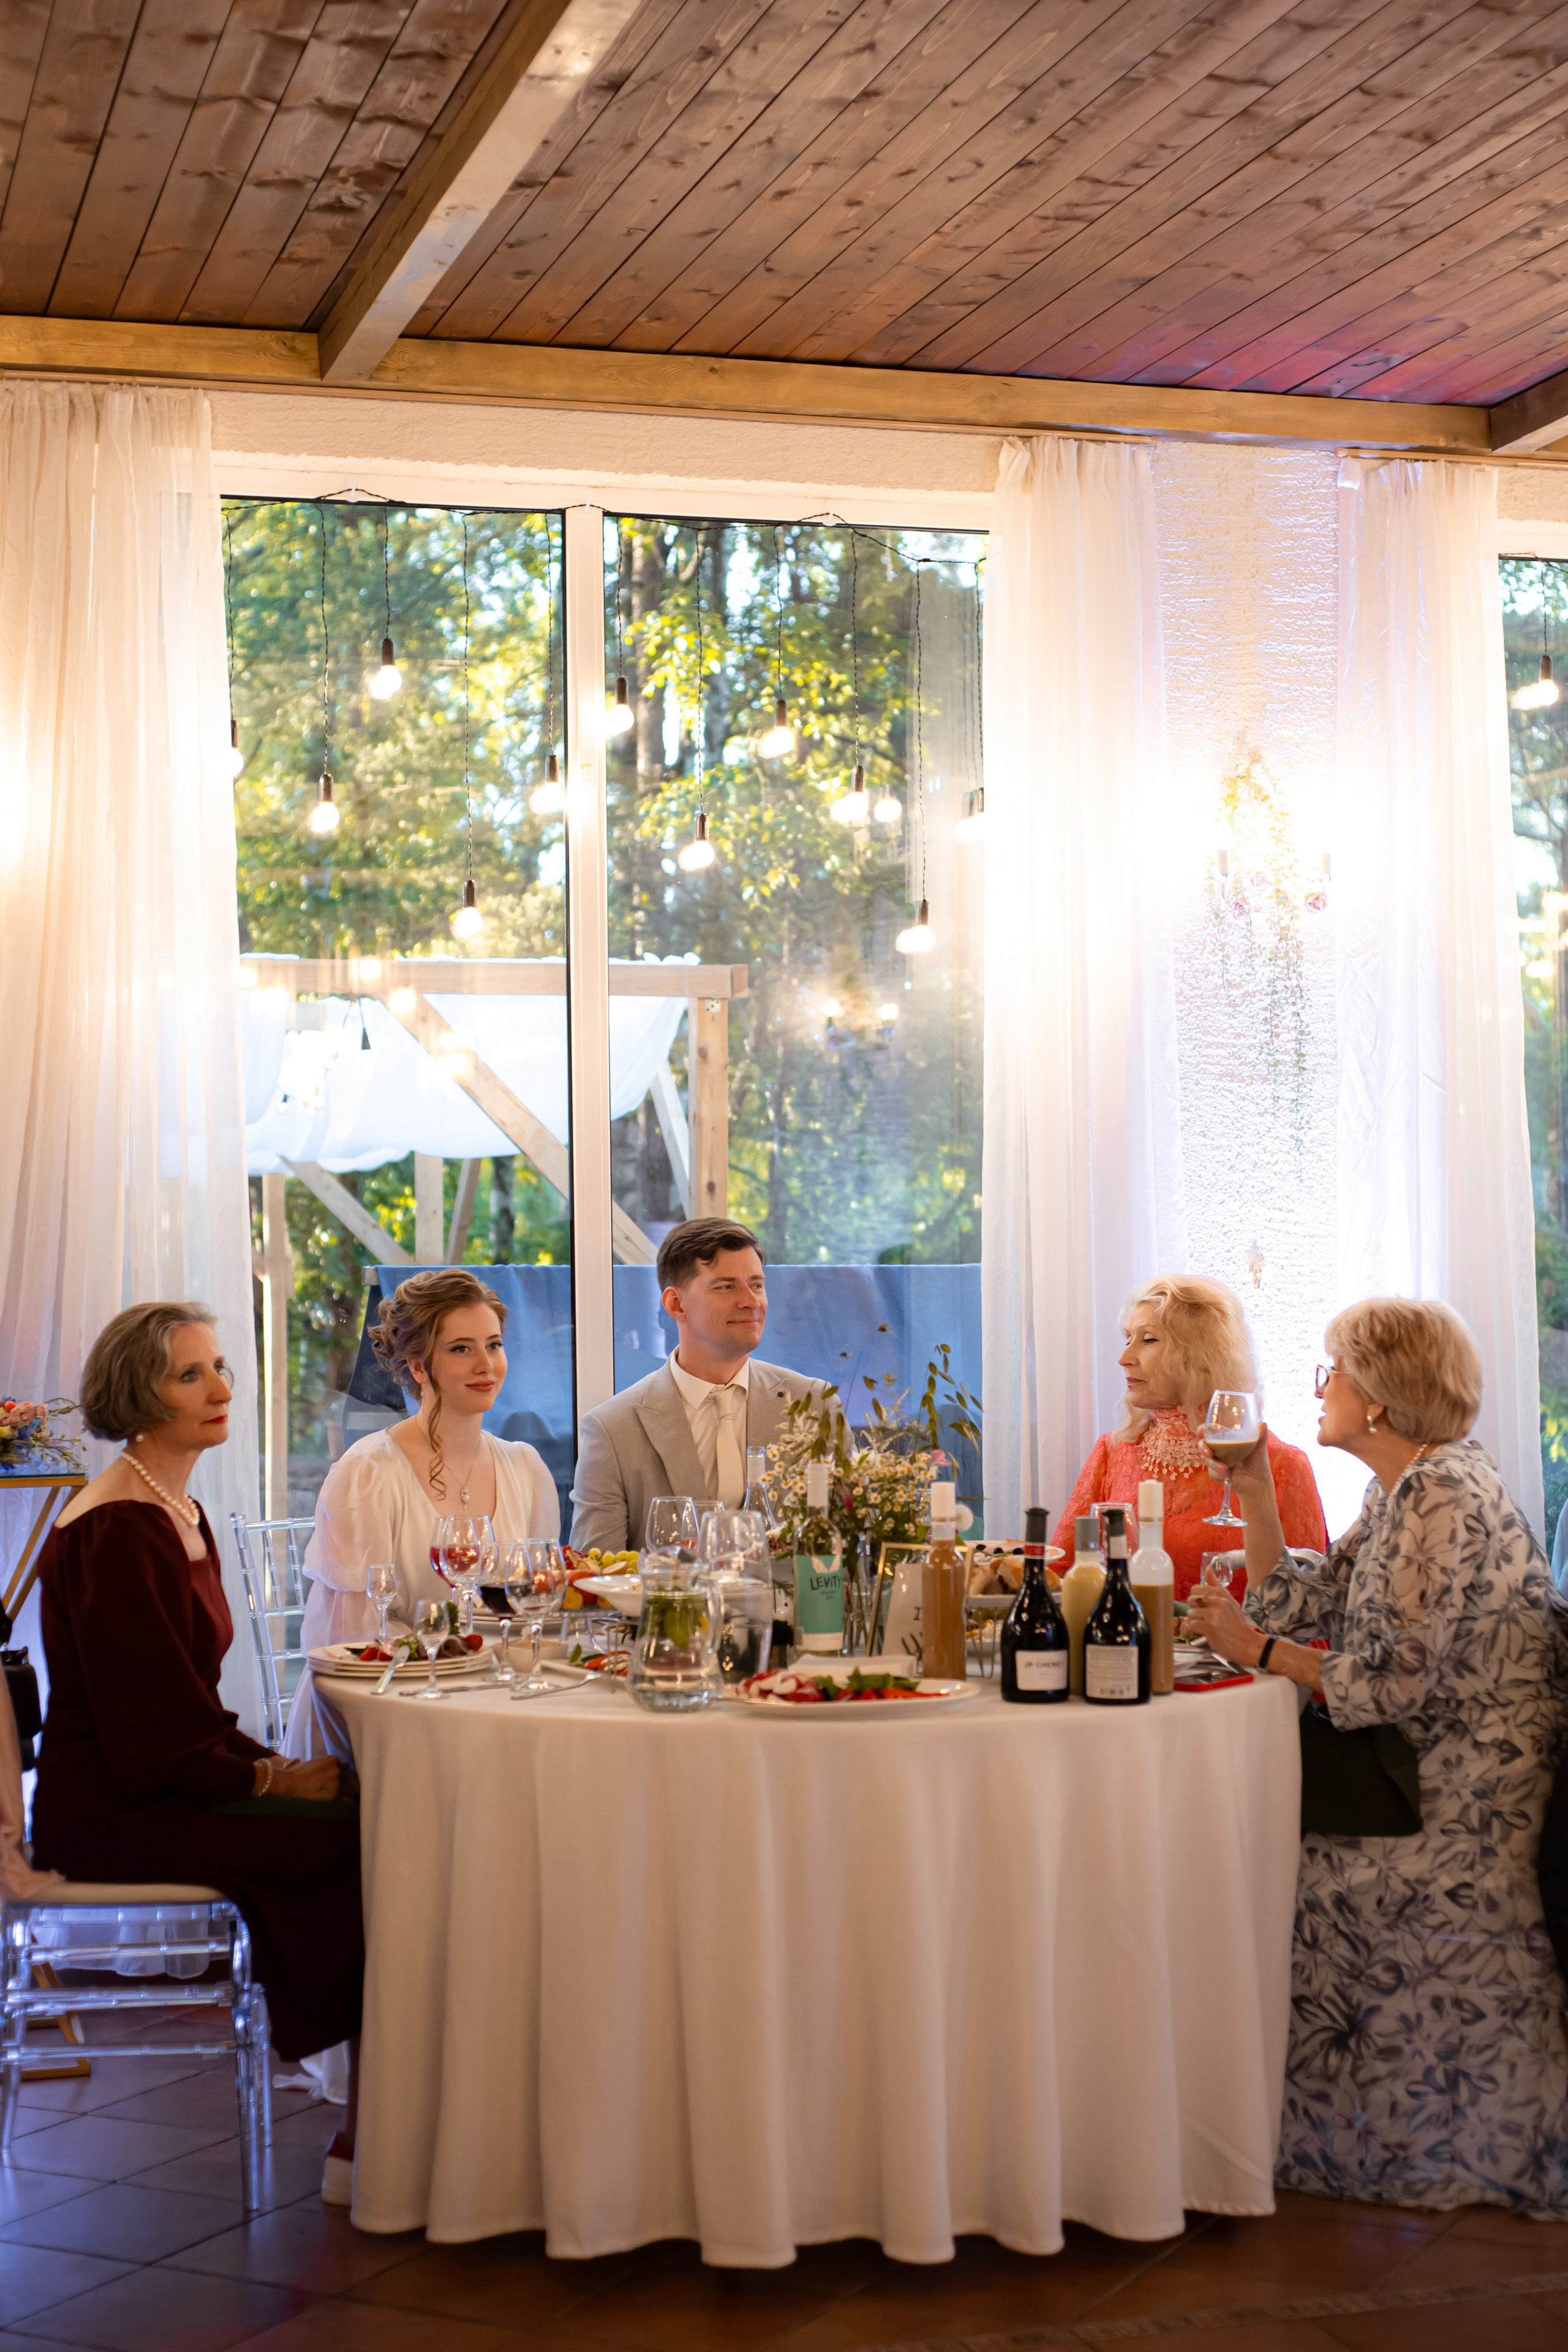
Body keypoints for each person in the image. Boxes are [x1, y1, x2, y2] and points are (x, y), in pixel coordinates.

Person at [1188, 1296, 1568, 2216]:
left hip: (1470, 1792)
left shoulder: (1440, 1495)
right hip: (1424, 1762)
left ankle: (1367, 2146)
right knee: (1267, 1838)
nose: (1323, 1390)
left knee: (1285, 1866)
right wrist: (1249, 1489)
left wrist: (1254, 1652)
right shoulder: (1404, 1486)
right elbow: (1313, 1603)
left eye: (1337, 1373)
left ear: (1382, 1402)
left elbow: (1386, 1684)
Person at [30, 1302, 364, 2206]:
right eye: (192, 1375)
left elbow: (190, 1710)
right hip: (112, 1809)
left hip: (162, 1781)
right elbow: (149, 1736)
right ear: (139, 1395)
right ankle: (363, 2126)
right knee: (343, 1840)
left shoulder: (180, 1508)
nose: (221, 1390)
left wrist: (266, 1767)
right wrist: (275, 1776)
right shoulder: (116, 1528)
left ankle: (378, 2105)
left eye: (219, 1368)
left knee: (362, 1816)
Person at [298, 1267, 558, 1657]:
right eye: (461, 1348)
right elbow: (353, 1636)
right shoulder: (368, 1474)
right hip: (399, 1693)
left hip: (498, 1686)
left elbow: (539, 1602)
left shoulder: (527, 1469)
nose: (486, 1365)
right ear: (418, 1366)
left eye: (494, 1345)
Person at [1057, 1275, 1326, 1600]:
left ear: (1200, 1354)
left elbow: (1306, 1621)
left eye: (1148, 1340)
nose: (1124, 1357)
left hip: (1229, 1652)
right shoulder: (1113, 1451)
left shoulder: (1283, 1466)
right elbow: (1061, 1574)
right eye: (1128, 1339)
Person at [570, 1218, 824, 1553]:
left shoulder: (813, 1404)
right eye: (726, 1287)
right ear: (676, 1304)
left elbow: (848, 1546)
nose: (751, 1301)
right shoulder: (612, 1430)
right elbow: (597, 1577)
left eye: (757, 1285)